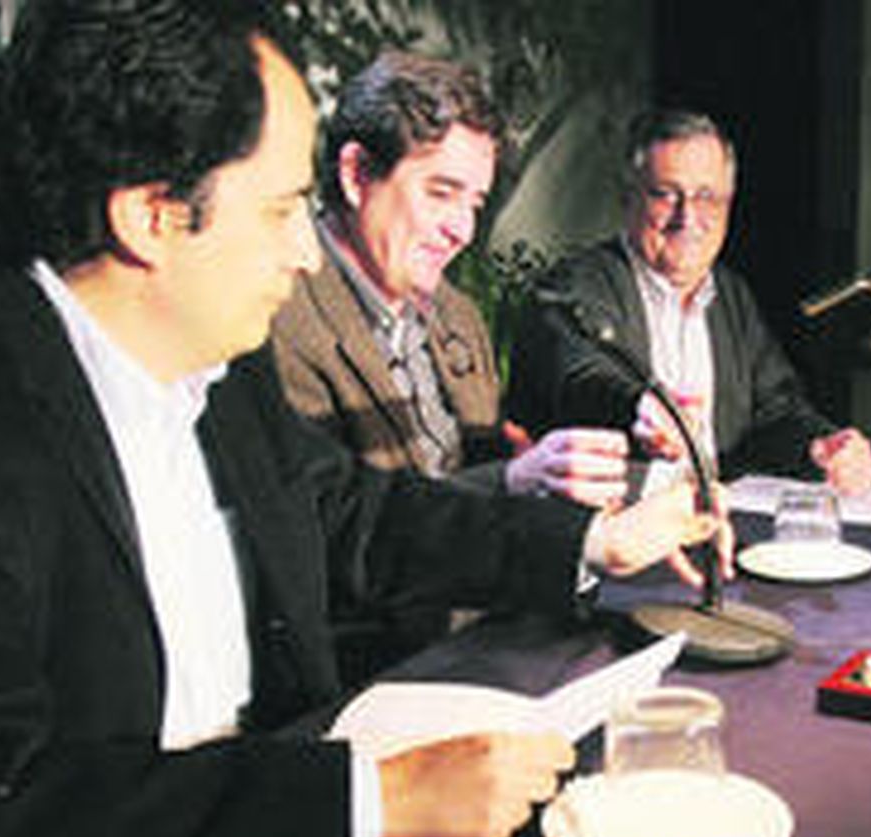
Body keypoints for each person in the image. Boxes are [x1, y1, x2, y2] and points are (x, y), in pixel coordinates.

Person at [0, 0, 724, 837]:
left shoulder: (214, 358)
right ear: (151, 217)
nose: (301, 248)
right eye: (283, 209)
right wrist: (373, 793)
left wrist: (590, 540)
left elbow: (344, 514)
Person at [269, 52, 629, 680]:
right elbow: (332, 540)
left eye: (477, 202)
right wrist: (511, 482)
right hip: (375, 668)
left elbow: (490, 467)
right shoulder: (277, 320)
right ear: (356, 174)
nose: (462, 228)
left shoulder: (456, 314)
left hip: (491, 629)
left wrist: (555, 477)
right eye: (441, 193)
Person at [509, 109, 871, 493]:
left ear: (729, 203)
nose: (688, 217)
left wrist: (819, 447)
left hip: (711, 526)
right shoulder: (573, 286)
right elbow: (581, 378)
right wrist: (641, 409)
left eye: (707, 197)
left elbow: (775, 411)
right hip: (604, 534)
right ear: (628, 197)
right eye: (666, 194)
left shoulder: (731, 296)